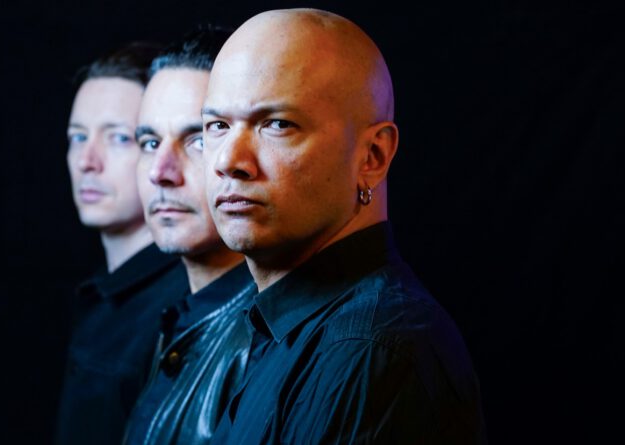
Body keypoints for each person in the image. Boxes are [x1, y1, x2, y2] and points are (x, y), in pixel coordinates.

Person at [202, 9, 487, 444]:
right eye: (218, 126)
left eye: (277, 124)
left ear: (372, 157)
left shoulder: (369, 351)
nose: (228, 161)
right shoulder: (283, 327)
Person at [122, 27, 254, 445]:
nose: (160, 172)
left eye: (197, 139)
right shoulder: (172, 317)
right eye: (149, 142)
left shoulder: (270, 339)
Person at [56, 42, 189, 445]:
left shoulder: (181, 307)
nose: (87, 161)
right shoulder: (104, 296)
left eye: (117, 138)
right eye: (78, 137)